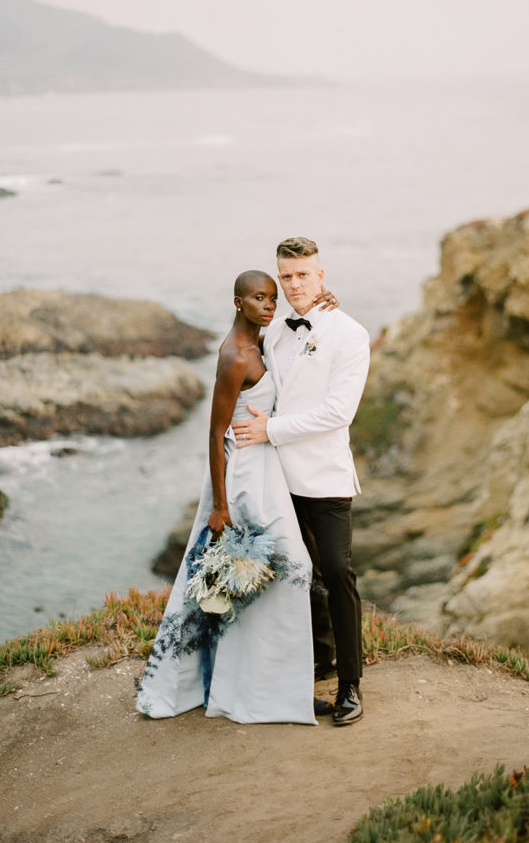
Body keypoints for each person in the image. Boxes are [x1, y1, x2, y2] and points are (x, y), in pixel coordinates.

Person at [136, 270, 334, 724]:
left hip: (268, 471)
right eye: (259, 298)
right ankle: (268, 693)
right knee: (285, 573)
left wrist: (325, 305)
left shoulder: (265, 341)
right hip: (245, 477)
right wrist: (221, 507)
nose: (269, 305)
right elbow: (214, 433)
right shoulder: (234, 357)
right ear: (237, 302)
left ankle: (274, 690)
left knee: (266, 582)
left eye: (272, 297)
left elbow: (297, 335)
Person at [232, 238, 370, 726]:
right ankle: (317, 664)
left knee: (336, 574)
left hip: (324, 477)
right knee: (297, 579)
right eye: (286, 276)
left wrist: (270, 429)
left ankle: (351, 685)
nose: (293, 286)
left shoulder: (350, 334)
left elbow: (338, 412)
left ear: (321, 275)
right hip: (275, 478)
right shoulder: (274, 334)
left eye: (303, 276)